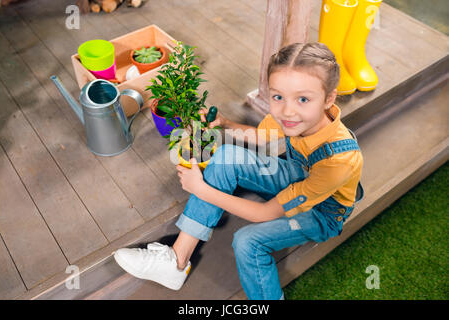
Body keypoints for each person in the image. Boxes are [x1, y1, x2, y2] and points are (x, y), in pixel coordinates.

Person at [113, 42, 364, 300]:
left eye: (303, 98)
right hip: (299, 177)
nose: (287, 110)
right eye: (278, 96)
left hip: (323, 214)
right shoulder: (295, 116)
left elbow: (265, 213)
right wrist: (224, 123)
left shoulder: (339, 161)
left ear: (329, 98)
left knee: (248, 243)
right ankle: (176, 261)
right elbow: (261, 135)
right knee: (225, 156)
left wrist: (201, 188)